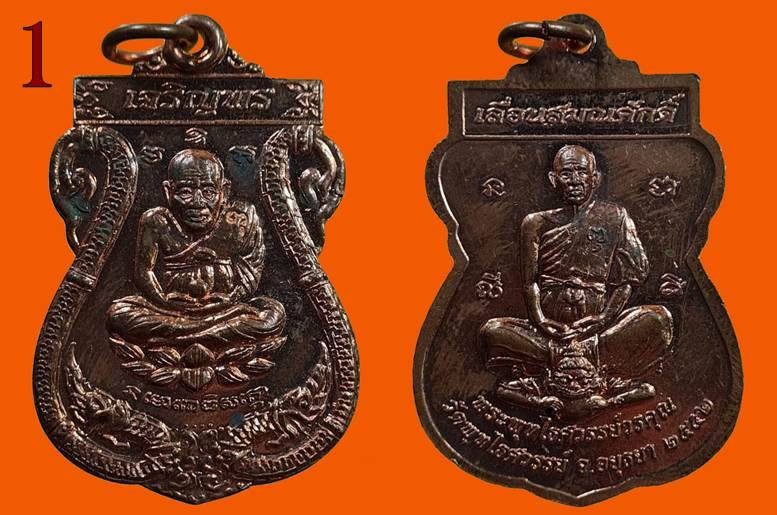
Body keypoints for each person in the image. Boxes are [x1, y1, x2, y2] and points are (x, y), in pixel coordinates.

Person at [479, 145, 673, 415]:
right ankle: (578, 363)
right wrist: (541, 321)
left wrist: (603, 318)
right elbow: (529, 282)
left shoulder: (614, 217)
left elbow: (631, 278)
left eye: (581, 172)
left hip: (599, 332)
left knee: (658, 320)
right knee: (492, 332)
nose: (574, 180)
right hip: (548, 334)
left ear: (595, 179)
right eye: (566, 173)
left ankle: (574, 360)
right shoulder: (535, 223)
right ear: (553, 179)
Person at [107, 149, 285, 347]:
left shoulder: (240, 219)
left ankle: (180, 338)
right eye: (185, 192)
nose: (198, 202)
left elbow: (251, 273)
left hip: (226, 310)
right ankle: (209, 335)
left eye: (208, 192)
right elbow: (144, 271)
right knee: (119, 314)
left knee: (273, 314)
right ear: (168, 192)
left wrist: (230, 300)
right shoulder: (156, 221)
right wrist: (165, 301)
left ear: (224, 192)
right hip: (169, 310)